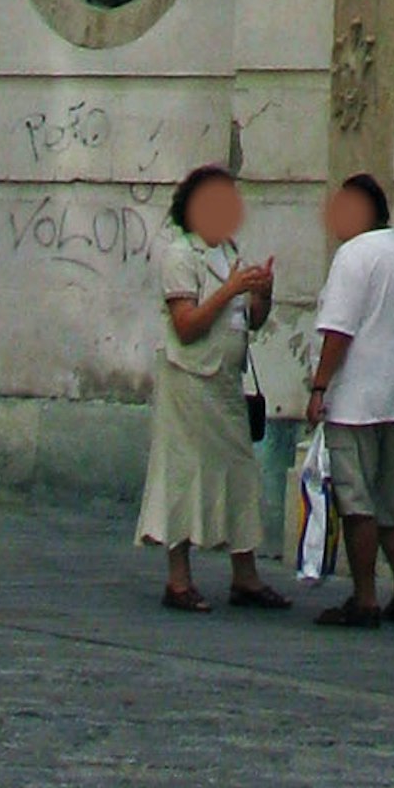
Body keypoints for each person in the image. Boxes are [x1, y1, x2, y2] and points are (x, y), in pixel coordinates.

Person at [140, 162, 280, 613]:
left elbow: (250, 321)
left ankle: (246, 576)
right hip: (189, 379)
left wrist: (262, 294)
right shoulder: (181, 254)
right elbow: (186, 325)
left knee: (240, 471)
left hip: (224, 380)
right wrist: (231, 289)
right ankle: (178, 580)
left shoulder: (228, 251)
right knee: (182, 474)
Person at [302, 169, 394, 633]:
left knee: (356, 500)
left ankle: (365, 596)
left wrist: (319, 386)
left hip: (357, 397)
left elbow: (339, 330)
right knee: (390, 495)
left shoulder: (353, 256)